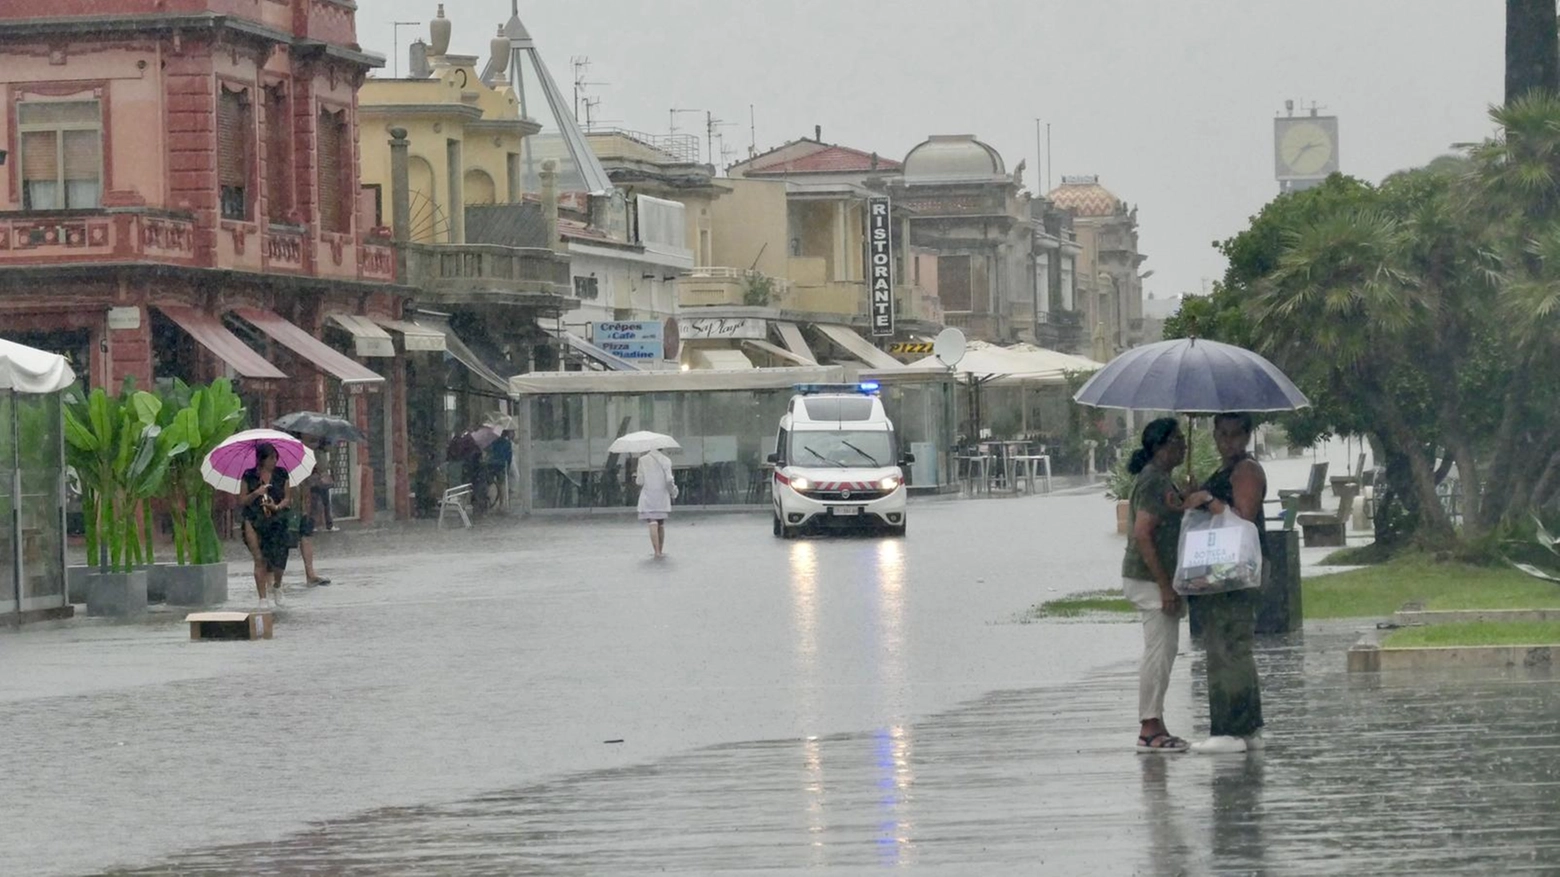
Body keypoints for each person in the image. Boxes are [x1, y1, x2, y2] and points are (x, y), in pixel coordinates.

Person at [1121, 418, 1214, 753]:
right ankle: (1148, 727)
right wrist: (1165, 586)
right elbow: (1143, 533)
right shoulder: (1151, 483)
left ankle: (1156, 722)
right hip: (1149, 579)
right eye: (1176, 440)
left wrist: (1186, 498)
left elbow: (1171, 514)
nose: (1182, 445)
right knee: (1159, 651)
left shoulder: (1163, 482)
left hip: (1159, 577)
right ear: (1159, 447)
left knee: (1166, 650)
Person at [1187, 412, 1268, 754]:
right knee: (1223, 645)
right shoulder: (1225, 470)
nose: (1228, 441)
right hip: (1220, 572)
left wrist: (1208, 500)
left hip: (1236, 572)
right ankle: (1245, 727)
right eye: (1222, 434)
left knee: (1229, 647)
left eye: (1235, 434)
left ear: (1247, 435)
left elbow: (1243, 515)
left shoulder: (1247, 470)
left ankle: (1231, 728)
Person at [239, 442, 291, 609]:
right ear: (262, 459)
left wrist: (276, 507)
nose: (274, 461)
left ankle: (277, 585)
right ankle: (262, 598)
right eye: (271, 458)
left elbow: (287, 498)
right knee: (259, 559)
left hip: (276, 521)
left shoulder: (282, 474)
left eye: (276, 457)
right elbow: (243, 500)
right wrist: (256, 493)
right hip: (253, 520)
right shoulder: (249, 476)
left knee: (278, 559)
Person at [635, 448, 678, 558]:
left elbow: (640, 481)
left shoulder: (642, 460)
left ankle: (656, 551)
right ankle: (661, 550)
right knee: (661, 523)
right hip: (662, 495)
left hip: (648, 495)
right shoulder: (666, 460)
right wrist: (673, 491)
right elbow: (669, 479)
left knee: (652, 522)